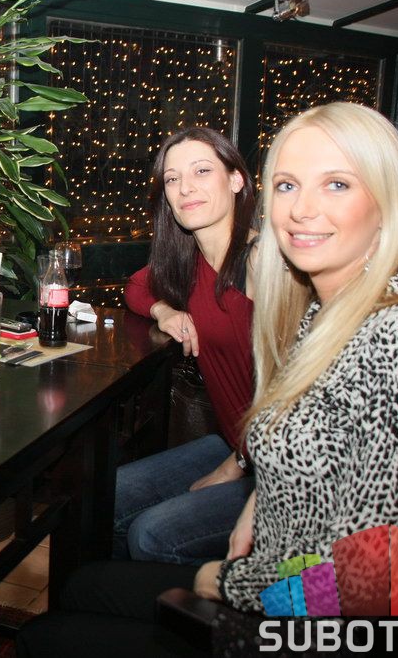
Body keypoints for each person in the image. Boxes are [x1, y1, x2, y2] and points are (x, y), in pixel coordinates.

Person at [16, 102, 398, 656]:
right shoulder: (323, 309)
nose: (303, 209)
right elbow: (141, 286)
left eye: (337, 184)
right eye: (288, 185)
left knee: (75, 606)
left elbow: (368, 577)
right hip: (258, 493)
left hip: (305, 624)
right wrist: (165, 312)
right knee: (86, 565)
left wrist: (228, 579)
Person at [117, 127, 257, 563]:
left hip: (280, 466)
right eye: (173, 178)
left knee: (150, 536)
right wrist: (164, 311)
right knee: (109, 492)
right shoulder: (188, 262)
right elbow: (136, 287)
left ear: (236, 180)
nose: (185, 188)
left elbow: (301, 398)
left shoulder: (262, 262)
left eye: (202, 171)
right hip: (234, 444)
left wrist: (236, 466)